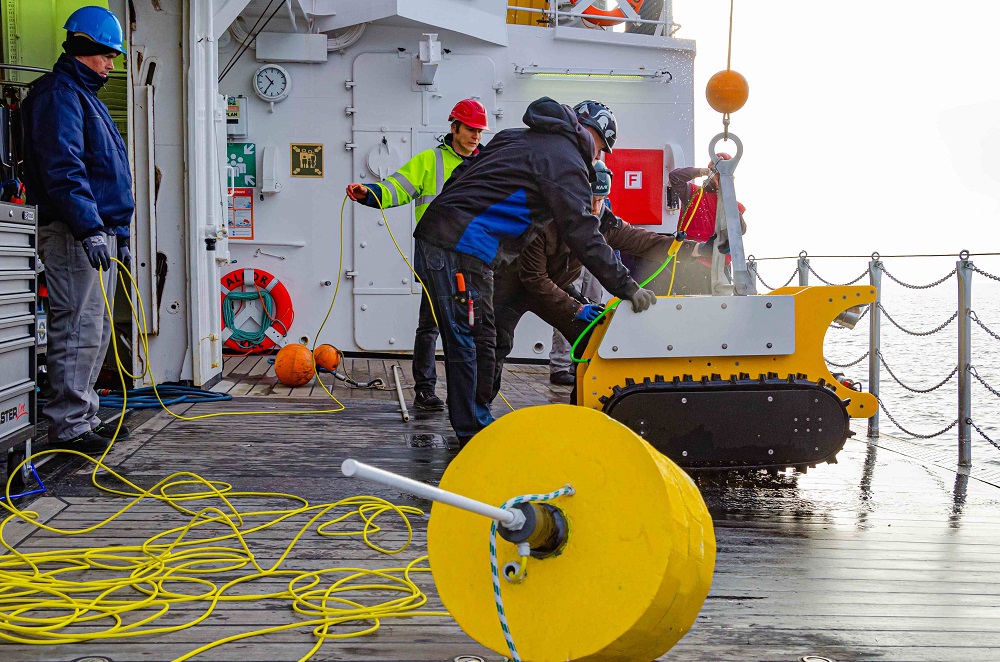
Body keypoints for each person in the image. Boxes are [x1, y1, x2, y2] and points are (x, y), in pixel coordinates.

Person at [413, 97, 658, 445]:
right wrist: (627, 287)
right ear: (591, 134)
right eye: (602, 148)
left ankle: (475, 425)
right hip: (458, 246)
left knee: (482, 335)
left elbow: (462, 174)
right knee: (468, 337)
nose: (599, 158)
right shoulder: (566, 159)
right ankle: (471, 434)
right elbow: (582, 231)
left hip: (457, 242)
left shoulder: (516, 136)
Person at [22, 6, 133, 453]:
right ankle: (68, 426)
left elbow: (101, 173)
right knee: (77, 328)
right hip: (73, 233)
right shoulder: (59, 95)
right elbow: (64, 169)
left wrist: (115, 233)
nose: (111, 64)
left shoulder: (82, 95)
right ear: (87, 49)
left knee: (95, 329)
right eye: (108, 55)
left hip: (94, 231)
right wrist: (90, 228)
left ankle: (83, 416)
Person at [493, 160, 696, 398]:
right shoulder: (541, 221)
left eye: (601, 200)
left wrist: (692, 249)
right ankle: (477, 416)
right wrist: (575, 307)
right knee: (494, 346)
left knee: (589, 336)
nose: (596, 208)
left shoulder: (600, 221)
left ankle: (582, 405)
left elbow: (638, 240)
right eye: (592, 199)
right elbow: (533, 277)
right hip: (510, 288)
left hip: (555, 285)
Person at [345, 99, 488, 412]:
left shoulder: (487, 163)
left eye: (479, 131)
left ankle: (465, 395)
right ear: (454, 128)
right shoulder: (429, 161)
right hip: (435, 255)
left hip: (474, 256)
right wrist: (370, 193)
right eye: (470, 129)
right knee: (432, 324)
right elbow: (397, 187)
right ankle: (425, 391)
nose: (475, 136)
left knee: (472, 326)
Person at [668, 154, 747, 294]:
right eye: (719, 174)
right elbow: (675, 177)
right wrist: (703, 171)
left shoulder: (733, 205)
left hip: (722, 268)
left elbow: (741, 230)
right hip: (693, 266)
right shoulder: (693, 194)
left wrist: (729, 197)